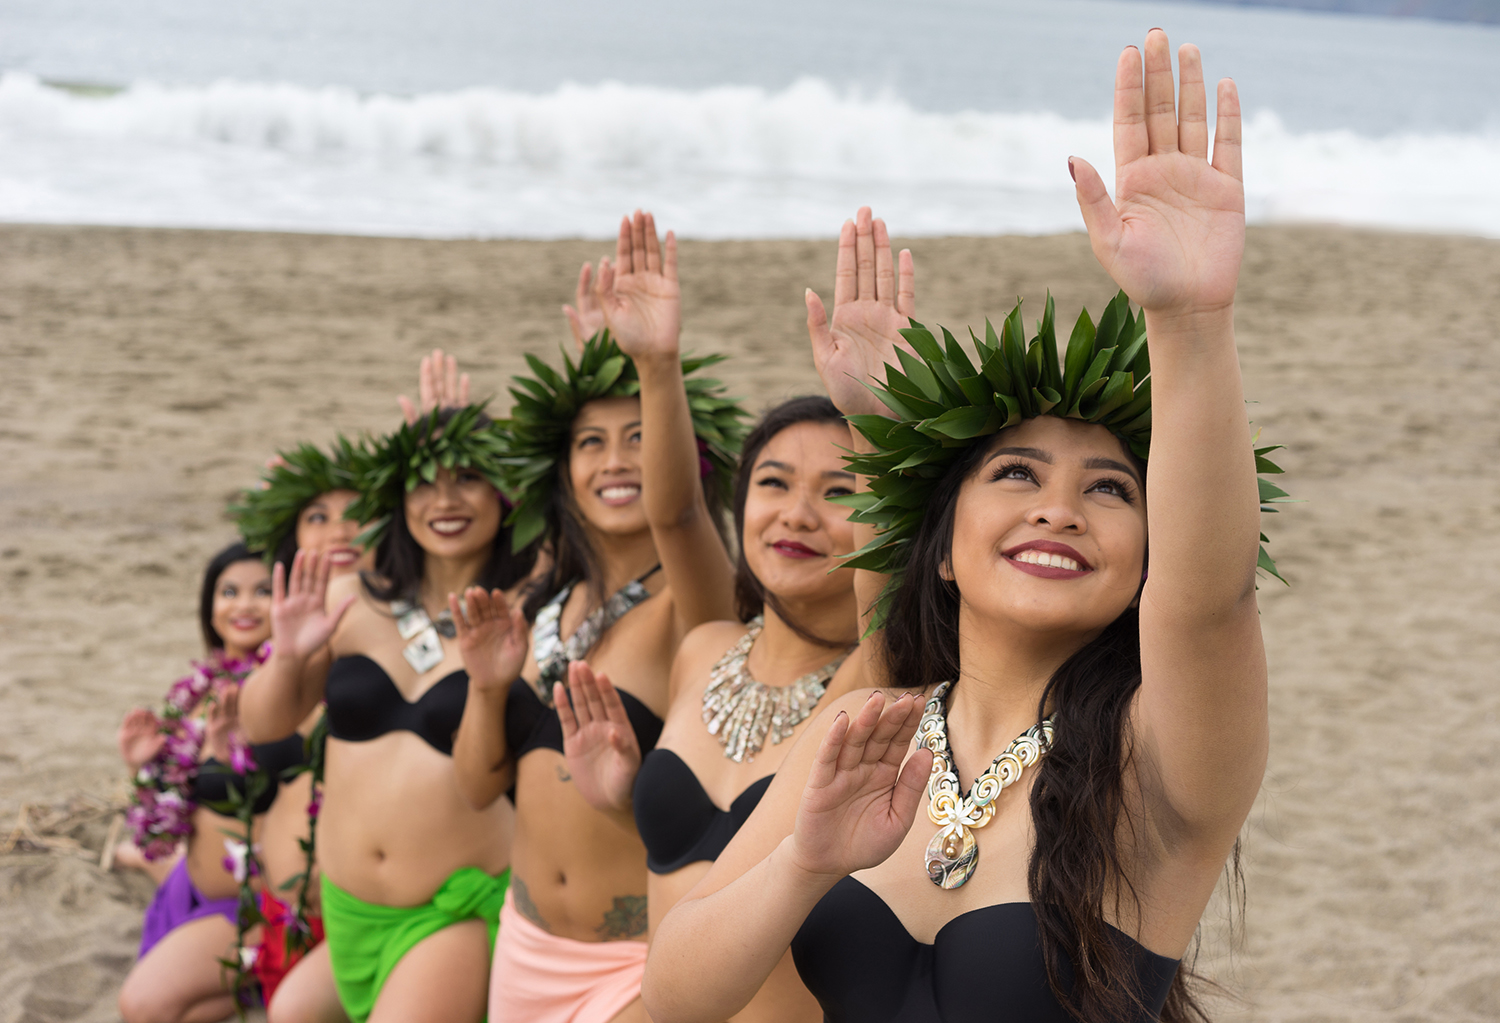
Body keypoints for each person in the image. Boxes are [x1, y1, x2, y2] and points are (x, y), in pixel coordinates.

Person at [643, 32, 1276, 1023]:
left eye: (1111, 489)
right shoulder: (869, 725)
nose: (1058, 506)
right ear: (937, 546)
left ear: (1150, 552)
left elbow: (1210, 600)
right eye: (1016, 473)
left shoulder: (1158, 763)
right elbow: (677, 993)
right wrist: (805, 860)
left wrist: (1190, 320)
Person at [449, 210, 746, 1023]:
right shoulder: (540, 595)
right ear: (564, 471)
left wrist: (656, 366)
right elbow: (477, 788)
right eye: (590, 442)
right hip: (526, 944)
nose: (614, 459)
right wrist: (484, 688)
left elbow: (678, 513)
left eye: (637, 438)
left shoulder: (694, 603)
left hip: (636, 958)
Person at [558, 394, 877, 1023]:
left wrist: (873, 415)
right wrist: (625, 804)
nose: (797, 514)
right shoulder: (703, 650)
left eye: (839, 492)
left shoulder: (874, 686)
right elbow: (710, 865)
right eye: (774, 483)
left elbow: (676, 517)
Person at [239, 401, 535, 1023]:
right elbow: (262, 724)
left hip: (450, 907)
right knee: (290, 1011)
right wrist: (289, 656)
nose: (445, 500)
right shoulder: (352, 600)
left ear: (506, 493)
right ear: (398, 499)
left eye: (468, 478)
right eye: (424, 482)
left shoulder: (525, 609)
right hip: (350, 908)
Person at [229, 437, 376, 1017]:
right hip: (279, 911)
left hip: (367, 906)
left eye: (357, 513)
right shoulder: (275, 639)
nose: (340, 531)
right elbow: (260, 732)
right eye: (318, 517)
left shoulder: (401, 624)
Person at [118, 543, 286, 1023]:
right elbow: (166, 820)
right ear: (210, 607)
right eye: (229, 591)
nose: (244, 605)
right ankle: (151, 869)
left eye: (263, 592)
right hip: (195, 892)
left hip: (256, 904)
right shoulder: (197, 690)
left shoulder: (289, 690)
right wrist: (145, 768)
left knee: (145, 1005)